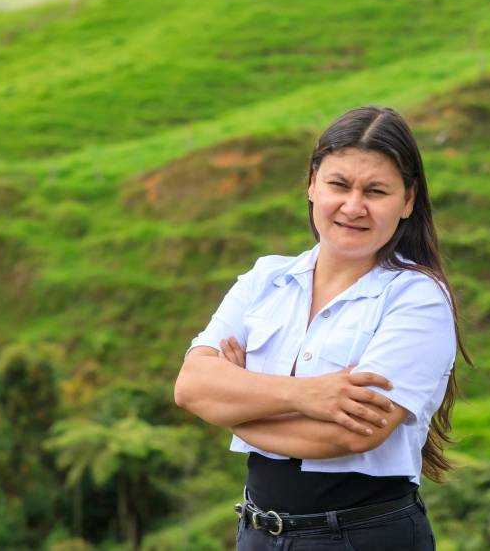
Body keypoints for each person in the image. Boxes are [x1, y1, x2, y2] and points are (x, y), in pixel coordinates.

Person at [174, 106, 471, 550]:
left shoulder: (417, 298)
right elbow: (191, 387)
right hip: (257, 534)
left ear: (407, 200)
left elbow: (355, 433)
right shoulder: (265, 280)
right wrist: (305, 395)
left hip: (360, 537)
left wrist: (236, 406)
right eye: (338, 184)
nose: (353, 206)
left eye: (376, 191)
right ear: (312, 184)